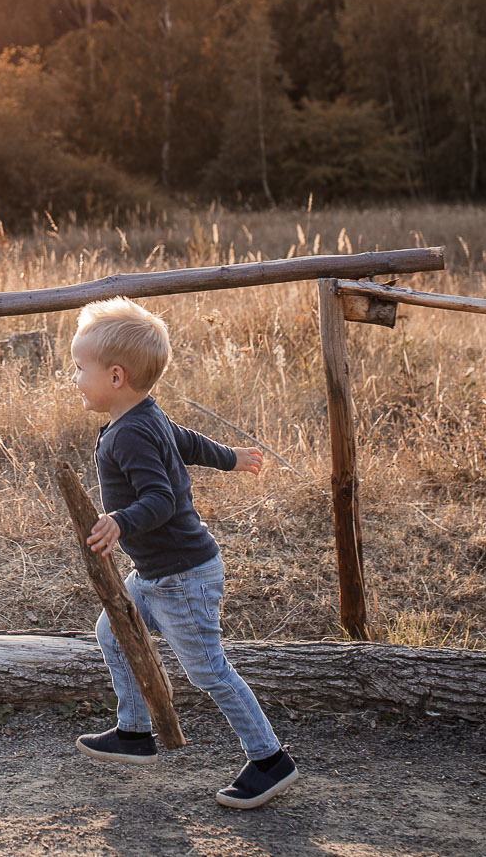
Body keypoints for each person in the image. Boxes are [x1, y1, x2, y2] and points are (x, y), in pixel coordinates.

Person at [67, 296, 299, 809]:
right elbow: (187, 442)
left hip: (182, 577)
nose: (75, 378)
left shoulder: (129, 434)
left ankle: (269, 759)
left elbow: (161, 499)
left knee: (208, 670)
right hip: (155, 573)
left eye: (81, 369)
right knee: (114, 631)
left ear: (116, 377)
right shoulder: (144, 416)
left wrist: (119, 522)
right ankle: (134, 732)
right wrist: (230, 458)